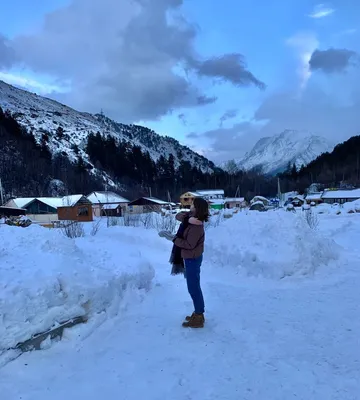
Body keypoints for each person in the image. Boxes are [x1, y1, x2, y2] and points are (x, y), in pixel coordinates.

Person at [161, 197, 209, 328]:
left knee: (193, 287)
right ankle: (198, 313)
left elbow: (188, 244)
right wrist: (186, 217)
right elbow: (178, 216)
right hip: (191, 257)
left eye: (193, 205)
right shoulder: (191, 220)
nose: (190, 206)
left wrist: (173, 238)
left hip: (192, 258)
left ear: (197, 208)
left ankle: (199, 316)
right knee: (193, 286)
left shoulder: (196, 226)